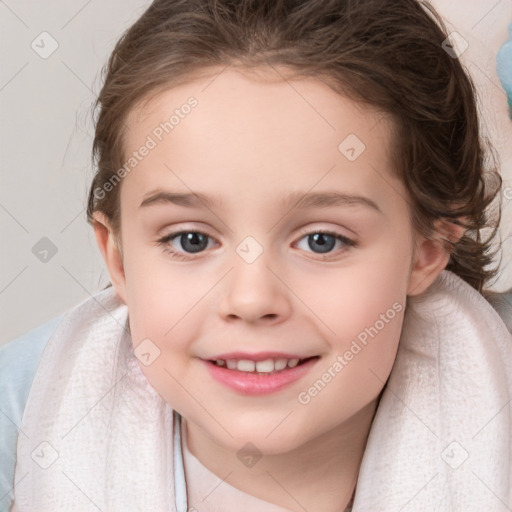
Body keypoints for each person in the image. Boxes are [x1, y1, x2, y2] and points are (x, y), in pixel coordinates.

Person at [2, 0, 512, 510]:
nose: (251, 299)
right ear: (118, 260)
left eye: (322, 240)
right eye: (191, 240)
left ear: (429, 249)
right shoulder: (23, 429)